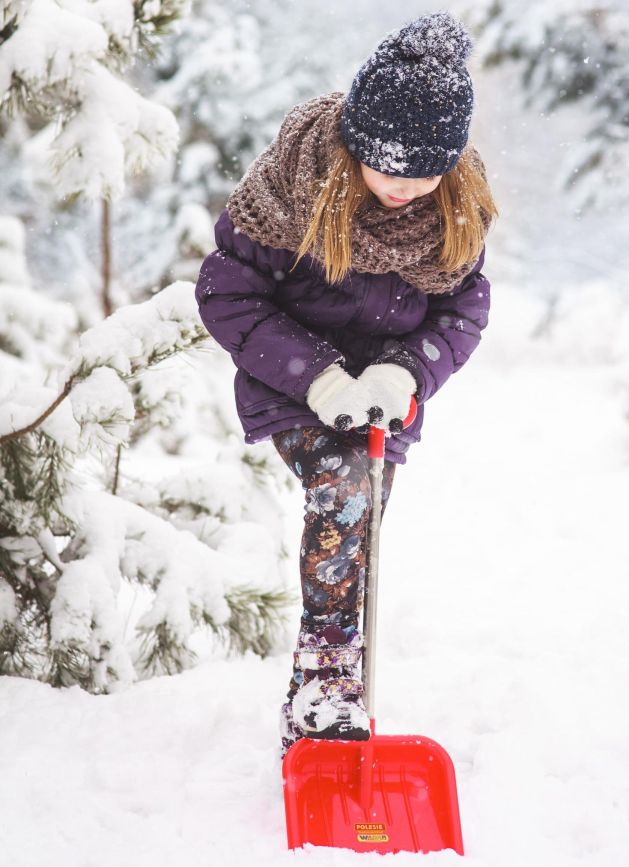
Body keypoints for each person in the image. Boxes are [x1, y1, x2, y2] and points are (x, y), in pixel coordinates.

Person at [194, 12, 498, 757]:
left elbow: (465, 308)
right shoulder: (292, 190)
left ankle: (326, 699)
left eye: (426, 171)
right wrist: (321, 377)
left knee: (357, 534)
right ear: (357, 144)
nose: (407, 187)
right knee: (344, 489)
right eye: (390, 167)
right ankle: (325, 686)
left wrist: (407, 370)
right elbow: (227, 293)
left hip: (386, 399)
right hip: (294, 380)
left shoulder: (454, 207)